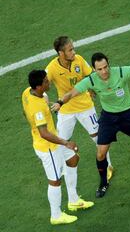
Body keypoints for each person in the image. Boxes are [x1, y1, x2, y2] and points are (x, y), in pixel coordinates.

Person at [52, 52, 130, 198]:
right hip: (109, 118)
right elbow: (72, 93)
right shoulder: (91, 81)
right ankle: (104, 183)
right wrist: (60, 102)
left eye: (106, 67)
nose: (104, 71)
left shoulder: (121, 72)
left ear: (109, 64)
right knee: (101, 153)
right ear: (94, 69)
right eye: (99, 69)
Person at [22, 70, 94, 225]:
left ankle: (73, 200)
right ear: (39, 86)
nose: (49, 82)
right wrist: (66, 142)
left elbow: (26, 112)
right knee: (55, 181)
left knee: (73, 159)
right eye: (46, 81)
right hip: (48, 147)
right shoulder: (37, 107)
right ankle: (56, 216)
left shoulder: (27, 92)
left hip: (53, 141)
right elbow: (44, 133)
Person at [46, 36, 114, 183]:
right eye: (70, 50)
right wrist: (44, 97)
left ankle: (108, 166)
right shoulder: (52, 67)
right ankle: (64, 167)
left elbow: (90, 75)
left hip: (85, 107)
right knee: (61, 141)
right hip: (66, 110)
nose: (73, 52)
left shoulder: (79, 60)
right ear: (60, 53)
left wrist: (92, 89)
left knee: (98, 138)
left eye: (73, 48)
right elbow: (43, 82)